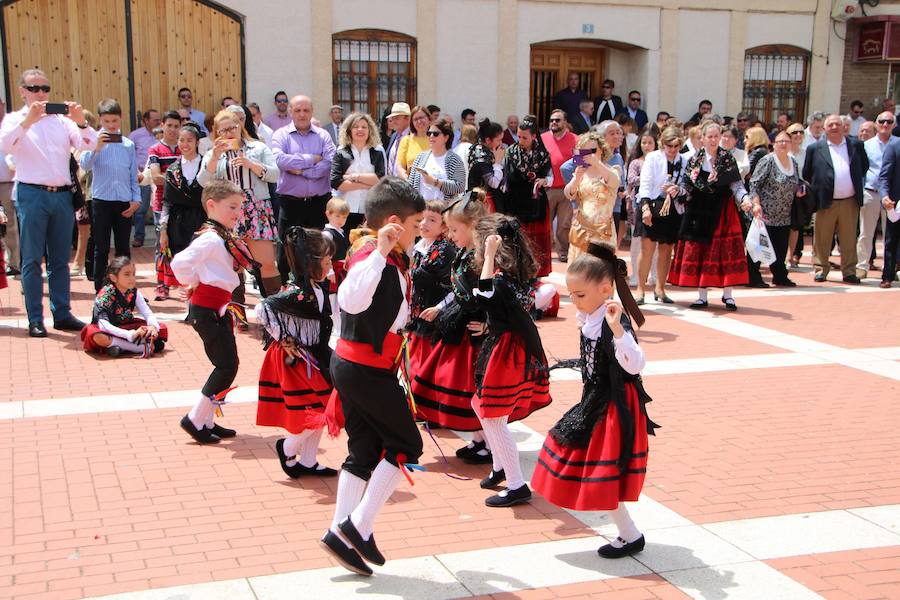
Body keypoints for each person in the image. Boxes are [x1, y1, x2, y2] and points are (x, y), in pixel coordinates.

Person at [318, 177, 425, 577]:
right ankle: (357, 526)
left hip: (360, 365)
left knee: (364, 449)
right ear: (395, 223)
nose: (419, 231)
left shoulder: (391, 257)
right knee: (406, 446)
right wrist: (380, 250)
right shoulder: (372, 254)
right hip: (363, 368)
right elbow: (350, 300)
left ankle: (338, 533)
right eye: (416, 224)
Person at [531, 242, 656, 558]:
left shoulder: (614, 319)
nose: (574, 301)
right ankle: (629, 534)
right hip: (597, 398)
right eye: (571, 295)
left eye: (580, 295)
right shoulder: (591, 315)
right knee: (591, 465)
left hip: (614, 404)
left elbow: (635, 364)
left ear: (605, 289)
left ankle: (630, 535)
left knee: (602, 471)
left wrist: (617, 331)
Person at [0, 69, 98, 337]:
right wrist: (28, 122)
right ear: (22, 91)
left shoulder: (61, 120)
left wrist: (80, 121)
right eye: (34, 88)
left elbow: (90, 144)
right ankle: (35, 318)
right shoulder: (13, 119)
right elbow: (6, 146)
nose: (41, 93)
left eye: (45, 88)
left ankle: (62, 313)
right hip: (31, 193)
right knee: (31, 259)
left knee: (59, 259)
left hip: (62, 194)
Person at [471, 214, 552, 507]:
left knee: (494, 416)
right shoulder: (520, 275)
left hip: (506, 350)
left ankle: (516, 484)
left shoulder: (502, 279)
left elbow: (484, 292)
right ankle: (499, 464)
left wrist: (489, 255)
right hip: (508, 346)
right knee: (479, 405)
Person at [172, 180, 252, 444]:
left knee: (227, 364)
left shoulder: (220, 237)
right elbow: (180, 263)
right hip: (207, 307)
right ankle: (195, 419)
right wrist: (194, 281)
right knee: (226, 365)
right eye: (231, 207)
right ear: (211, 205)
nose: (236, 212)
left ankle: (206, 419)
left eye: (239, 207)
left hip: (217, 307)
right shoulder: (210, 238)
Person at [256, 226, 338, 478]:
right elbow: (263, 309)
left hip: (315, 353)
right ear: (309, 263)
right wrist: (284, 338)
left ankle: (309, 460)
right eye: (326, 262)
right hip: (297, 359)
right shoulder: (297, 293)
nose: (330, 267)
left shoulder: (317, 287)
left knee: (320, 409)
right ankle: (288, 446)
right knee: (319, 409)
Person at [411, 194, 490, 455]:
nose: (452, 235)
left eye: (455, 229)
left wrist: (488, 323)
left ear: (474, 225)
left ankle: (490, 446)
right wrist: (442, 308)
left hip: (474, 332)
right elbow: (457, 292)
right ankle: (479, 439)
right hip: (458, 327)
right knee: (462, 389)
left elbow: (495, 294)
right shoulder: (465, 253)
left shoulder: (483, 257)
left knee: (475, 391)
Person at [199, 109, 281, 296]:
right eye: (223, 130)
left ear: (240, 126)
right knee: (233, 265)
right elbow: (203, 181)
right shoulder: (214, 153)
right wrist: (214, 156)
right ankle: (238, 314)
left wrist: (251, 164)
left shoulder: (258, 148)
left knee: (266, 263)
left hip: (255, 208)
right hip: (227, 211)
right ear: (217, 133)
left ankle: (274, 312)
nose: (229, 133)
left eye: (232, 127)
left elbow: (275, 174)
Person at [669, 121, 750, 310]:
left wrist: (744, 199)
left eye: (716, 136)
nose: (714, 140)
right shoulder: (694, 160)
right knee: (701, 252)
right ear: (703, 139)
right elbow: (686, 187)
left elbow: (736, 185)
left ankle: (728, 295)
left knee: (726, 251)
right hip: (699, 210)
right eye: (710, 137)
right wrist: (676, 190)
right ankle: (702, 296)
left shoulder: (726, 158)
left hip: (723, 210)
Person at [79, 99, 141, 293]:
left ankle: (127, 291)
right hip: (101, 201)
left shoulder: (128, 144)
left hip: (123, 201)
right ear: (100, 120)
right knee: (101, 247)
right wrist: (96, 147)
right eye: (106, 121)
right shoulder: (92, 140)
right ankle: (101, 290)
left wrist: (136, 199)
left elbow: (132, 174)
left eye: (114, 120)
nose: (111, 125)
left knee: (123, 248)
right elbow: (84, 165)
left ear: (120, 119)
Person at [272, 95, 335, 278]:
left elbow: (329, 164)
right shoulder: (280, 135)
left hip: (319, 203)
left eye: (306, 110)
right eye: (297, 110)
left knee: (318, 250)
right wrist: (311, 159)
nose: (302, 114)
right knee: (286, 250)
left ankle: (317, 288)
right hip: (291, 203)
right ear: (291, 112)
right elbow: (280, 161)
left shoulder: (323, 135)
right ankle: (285, 290)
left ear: (312, 112)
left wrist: (301, 171)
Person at [803, 114, 869, 283]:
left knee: (848, 239)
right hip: (825, 201)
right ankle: (820, 269)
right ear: (825, 129)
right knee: (822, 238)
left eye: (837, 124)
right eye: (830, 125)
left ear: (843, 127)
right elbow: (807, 173)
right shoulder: (815, 148)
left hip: (849, 200)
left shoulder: (856, 145)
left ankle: (849, 271)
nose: (834, 127)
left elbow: (864, 167)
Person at [406, 199, 455, 399]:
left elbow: (449, 285)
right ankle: (414, 401)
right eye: (422, 219)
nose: (424, 224)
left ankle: (423, 404)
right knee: (413, 360)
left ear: (444, 226)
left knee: (425, 363)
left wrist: (440, 308)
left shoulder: (444, 250)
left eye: (432, 220)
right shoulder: (418, 246)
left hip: (434, 313)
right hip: (418, 312)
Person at [80, 256, 167, 357]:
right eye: (127, 275)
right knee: (96, 335)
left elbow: (147, 312)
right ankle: (139, 348)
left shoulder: (133, 291)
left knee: (160, 327)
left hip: (127, 325)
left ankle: (118, 348)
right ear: (113, 277)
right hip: (109, 330)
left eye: (133, 274)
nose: (132, 278)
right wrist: (130, 335)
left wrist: (152, 327)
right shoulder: (105, 295)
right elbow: (104, 325)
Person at [748, 131, 804, 287]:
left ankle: (780, 275)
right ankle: (753, 276)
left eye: (787, 141)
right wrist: (756, 204)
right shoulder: (767, 161)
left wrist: (800, 189)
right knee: (759, 246)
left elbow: (797, 181)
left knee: (780, 247)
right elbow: (754, 184)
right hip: (765, 213)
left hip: (784, 214)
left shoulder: (793, 162)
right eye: (780, 141)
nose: (784, 144)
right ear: (773, 144)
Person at [637, 126, 685, 304]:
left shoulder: (684, 161)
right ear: (662, 144)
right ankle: (640, 290)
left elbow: (686, 185)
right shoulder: (653, 158)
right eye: (669, 145)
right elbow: (646, 184)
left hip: (672, 209)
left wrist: (677, 189)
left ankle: (660, 289)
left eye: (676, 146)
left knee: (666, 251)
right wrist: (645, 208)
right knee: (647, 250)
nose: (672, 150)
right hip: (652, 205)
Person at [502, 115, 552, 276]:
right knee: (518, 239)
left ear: (534, 136)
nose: (520, 140)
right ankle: (518, 272)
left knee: (537, 241)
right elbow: (507, 178)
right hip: (515, 202)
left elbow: (551, 177)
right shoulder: (511, 153)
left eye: (525, 137)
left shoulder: (543, 154)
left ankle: (537, 274)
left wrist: (545, 181)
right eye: (519, 136)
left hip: (536, 203)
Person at [158, 124, 205, 292]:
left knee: (202, 264)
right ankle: (188, 306)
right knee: (183, 266)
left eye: (189, 140)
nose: (185, 144)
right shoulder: (173, 170)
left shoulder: (207, 165)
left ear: (197, 142)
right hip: (178, 224)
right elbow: (167, 202)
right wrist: (163, 230)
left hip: (202, 221)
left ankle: (199, 307)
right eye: (181, 140)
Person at [565, 132, 620, 262]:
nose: (589, 155)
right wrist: (577, 177)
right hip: (581, 229)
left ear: (602, 150)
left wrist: (597, 164)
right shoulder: (581, 173)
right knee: (579, 271)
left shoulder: (612, 170)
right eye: (585, 151)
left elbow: (614, 182)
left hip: (602, 231)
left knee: (599, 272)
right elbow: (568, 194)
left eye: (593, 150)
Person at [145, 111, 182, 300]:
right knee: (162, 244)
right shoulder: (155, 150)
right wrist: (180, 180)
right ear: (163, 125)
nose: (173, 130)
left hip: (182, 205)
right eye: (170, 126)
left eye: (177, 126)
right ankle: (162, 285)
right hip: (161, 204)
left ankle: (181, 282)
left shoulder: (185, 148)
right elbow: (155, 177)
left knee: (181, 243)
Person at [329, 112, 386, 232]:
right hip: (345, 211)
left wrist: (353, 177)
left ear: (370, 130)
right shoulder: (341, 152)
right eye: (356, 126)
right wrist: (367, 184)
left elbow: (380, 180)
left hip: (370, 210)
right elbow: (335, 182)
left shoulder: (377, 152)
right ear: (349, 130)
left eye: (364, 127)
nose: (360, 130)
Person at [858, 112, 897, 280]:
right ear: (876, 123)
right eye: (882, 121)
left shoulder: (897, 144)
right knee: (866, 232)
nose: (885, 124)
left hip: (892, 197)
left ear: (894, 125)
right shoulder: (867, 145)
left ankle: (890, 268)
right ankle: (862, 266)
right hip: (871, 192)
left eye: (889, 121)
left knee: (891, 234)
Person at [541, 110, 578, 261]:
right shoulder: (542, 138)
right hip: (547, 188)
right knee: (545, 222)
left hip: (566, 188)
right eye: (551, 120)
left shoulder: (575, 139)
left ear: (565, 122)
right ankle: (544, 253)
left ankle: (563, 252)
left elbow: (580, 163)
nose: (554, 123)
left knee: (564, 224)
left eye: (557, 120)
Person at [626, 129, 658, 297]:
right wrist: (648, 178)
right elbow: (631, 179)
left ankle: (654, 274)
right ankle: (635, 275)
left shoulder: (659, 161)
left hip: (656, 205)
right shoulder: (636, 163)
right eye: (644, 142)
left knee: (656, 243)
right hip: (637, 205)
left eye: (650, 142)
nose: (646, 145)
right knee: (636, 242)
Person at [406, 116, 466, 201]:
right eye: (429, 133)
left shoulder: (454, 159)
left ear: (446, 137)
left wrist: (435, 182)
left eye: (435, 134)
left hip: (444, 211)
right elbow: (410, 184)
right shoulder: (420, 157)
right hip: (422, 210)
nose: (431, 136)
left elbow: (459, 187)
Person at [129, 109, 160, 247]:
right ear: (146, 120)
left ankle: (160, 237)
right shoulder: (135, 135)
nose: (158, 122)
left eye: (159, 119)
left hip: (158, 176)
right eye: (154, 119)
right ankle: (139, 237)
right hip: (142, 175)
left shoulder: (161, 134)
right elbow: (128, 155)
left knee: (158, 208)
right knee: (141, 209)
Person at [467, 119, 505, 210]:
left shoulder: (480, 149)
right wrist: (498, 163)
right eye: (498, 140)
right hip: (483, 202)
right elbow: (494, 183)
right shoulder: (481, 155)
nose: (501, 143)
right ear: (488, 140)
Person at [878, 135, 900, 288]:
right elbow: (884, 176)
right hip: (896, 203)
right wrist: (884, 196)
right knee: (892, 239)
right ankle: (888, 275)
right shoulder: (894, 146)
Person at [394, 105, 431, 179]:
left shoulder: (436, 138)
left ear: (429, 119)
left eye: (422, 118)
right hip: (412, 185)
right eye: (415, 119)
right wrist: (407, 179)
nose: (419, 121)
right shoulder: (406, 140)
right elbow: (399, 166)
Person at [384, 102, 411, 177]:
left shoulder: (413, 137)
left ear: (407, 118)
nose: (393, 121)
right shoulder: (394, 136)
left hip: (405, 184)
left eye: (396, 118)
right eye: (392, 118)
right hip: (391, 184)